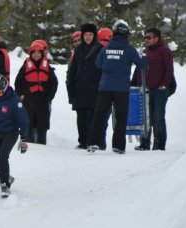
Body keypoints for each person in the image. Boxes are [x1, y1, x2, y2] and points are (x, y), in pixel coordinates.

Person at [87, 20, 148, 154]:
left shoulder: (106, 48)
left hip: (105, 88)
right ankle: (118, 146)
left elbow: (98, 64)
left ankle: (93, 143)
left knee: (99, 116)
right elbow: (142, 65)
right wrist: (145, 57)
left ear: (114, 33)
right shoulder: (129, 49)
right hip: (121, 89)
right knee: (121, 118)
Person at [132, 27, 174, 151]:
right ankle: (144, 143)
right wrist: (135, 84)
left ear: (157, 38)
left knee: (158, 117)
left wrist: (164, 85)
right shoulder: (145, 51)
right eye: (146, 37)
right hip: (145, 90)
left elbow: (169, 70)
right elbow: (139, 69)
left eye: (150, 37)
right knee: (145, 117)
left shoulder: (164, 51)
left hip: (159, 91)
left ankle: (159, 144)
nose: (147, 39)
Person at [14, 39, 58, 145]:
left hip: (43, 102)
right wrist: (20, 96)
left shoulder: (47, 68)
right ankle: (29, 147)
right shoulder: (25, 67)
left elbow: (54, 84)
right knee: (28, 125)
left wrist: (49, 98)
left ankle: (42, 147)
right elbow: (17, 83)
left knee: (42, 127)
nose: (36, 55)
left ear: (42, 54)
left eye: (39, 53)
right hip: (29, 101)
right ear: (31, 54)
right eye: (34, 53)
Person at [66, 23, 102, 149]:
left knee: (93, 118)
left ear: (94, 35)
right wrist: (71, 89)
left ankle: (92, 141)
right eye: (85, 34)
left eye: (90, 34)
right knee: (81, 117)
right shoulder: (79, 50)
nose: (87, 37)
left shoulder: (100, 48)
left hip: (94, 89)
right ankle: (82, 141)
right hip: (80, 88)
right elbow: (72, 71)